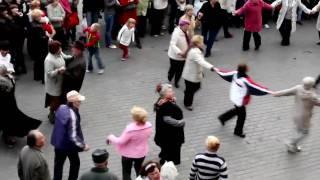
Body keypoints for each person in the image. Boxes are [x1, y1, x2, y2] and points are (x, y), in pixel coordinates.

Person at [215, 63, 272, 138]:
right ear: (246, 70)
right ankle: (238, 131)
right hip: (240, 100)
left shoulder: (234, 74)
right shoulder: (245, 80)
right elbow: (256, 87)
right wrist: (269, 91)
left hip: (234, 96)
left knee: (237, 111)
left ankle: (223, 118)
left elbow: (225, 73)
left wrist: (217, 70)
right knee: (242, 116)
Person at [272, 77, 320, 153]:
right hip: (304, 117)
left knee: (298, 130)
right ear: (312, 85)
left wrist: (276, 94)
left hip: (296, 114)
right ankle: (291, 143)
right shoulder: (312, 95)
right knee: (305, 133)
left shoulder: (298, 88)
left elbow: (286, 92)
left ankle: (293, 147)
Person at [51, 90, 90, 180]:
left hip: (58, 143)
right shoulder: (72, 116)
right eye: (78, 101)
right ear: (73, 102)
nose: (80, 103)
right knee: (75, 163)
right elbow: (73, 136)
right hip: (68, 145)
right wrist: (83, 146)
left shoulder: (61, 107)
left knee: (58, 164)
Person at [0, 65, 41, 147]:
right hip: (11, 103)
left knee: (6, 121)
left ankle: (8, 138)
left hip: (4, 105)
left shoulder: (2, 83)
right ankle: (8, 135)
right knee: (13, 118)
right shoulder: (11, 78)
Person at [107, 106, 152, 180]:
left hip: (128, 155)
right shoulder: (149, 126)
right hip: (141, 153)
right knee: (139, 169)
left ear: (135, 118)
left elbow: (120, 141)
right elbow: (148, 135)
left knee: (126, 172)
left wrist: (110, 137)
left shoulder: (130, 129)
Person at [154, 83, 185, 165]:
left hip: (164, 131)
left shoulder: (161, 101)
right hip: (170, 133)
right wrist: (180, 122)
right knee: (173, 147)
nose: (173, 93)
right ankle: (169, 161)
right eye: (170, 91)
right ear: (165, 94)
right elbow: (167, 119)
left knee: (166, 146)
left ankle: (163, 155)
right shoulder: (167, 105)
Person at [182, 35, 215, 111]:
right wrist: (211, 67)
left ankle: (187, 93)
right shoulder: (194, 52)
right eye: (202, 42)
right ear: (198, 43)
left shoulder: (196, 49)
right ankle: (188, 104)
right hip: (190, 76)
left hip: (192, 74)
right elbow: (201, 61)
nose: (203, 43)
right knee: (191, 90)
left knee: (195, 87)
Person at [44, 40, 70, 123]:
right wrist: (58, 71)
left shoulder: (59, 53)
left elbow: (65, 57)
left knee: (59, 100)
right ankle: (52, 115)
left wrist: (74, 56)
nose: (60, 49)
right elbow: (49, 73)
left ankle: (56, 113)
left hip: (60, 82)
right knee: (55, 101)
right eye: (59, 48)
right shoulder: (49, 60)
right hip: (53, 85)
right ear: (54, 50)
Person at [27, 8, 49, 83]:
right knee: (42, 62)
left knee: (37, 62)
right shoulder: (37, 27)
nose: (41, 17)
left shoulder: (32, 24)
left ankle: (37, 76)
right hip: (40, 47)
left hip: (34, 46)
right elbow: (41, 38)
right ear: (36, 17)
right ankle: (42, 78)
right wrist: (47, 37)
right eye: (40, 16)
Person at [167, 19, 190, 88]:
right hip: (174, 56)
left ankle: (176, 82)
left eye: (188, 26)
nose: (187, 27)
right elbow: (172, 44)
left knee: (180, 71)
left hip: (183, 57)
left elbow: (188, 41)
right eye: (186, 26)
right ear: (181, 26)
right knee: (173, 69)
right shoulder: (176, 33)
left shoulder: (186, 32)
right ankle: (170, 77)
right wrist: (179, 52)